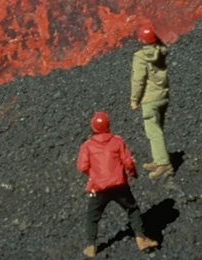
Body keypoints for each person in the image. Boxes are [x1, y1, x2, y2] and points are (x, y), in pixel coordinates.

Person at [76, 111, 159, 257]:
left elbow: (82, 166)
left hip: (98, 188)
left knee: (92, 216)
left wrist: (94, 175)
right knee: (132, 209)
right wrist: (133, 173)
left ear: (92, 127)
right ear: (108, 125)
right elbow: (128, 161)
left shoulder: (87, 146)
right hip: (119, 185)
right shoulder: (117, 141)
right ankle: (140, 238)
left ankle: (91, 246)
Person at [130, 23, 173, 179]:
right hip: (163, 95)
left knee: (153, 131)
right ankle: (158, 158)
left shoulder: (140, 57)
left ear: (141, 40)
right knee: (158, 128)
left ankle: (164, 164)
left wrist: (135, 99)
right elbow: (162, 45)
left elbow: (138, 80)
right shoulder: (161, 51)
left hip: (150, 98)